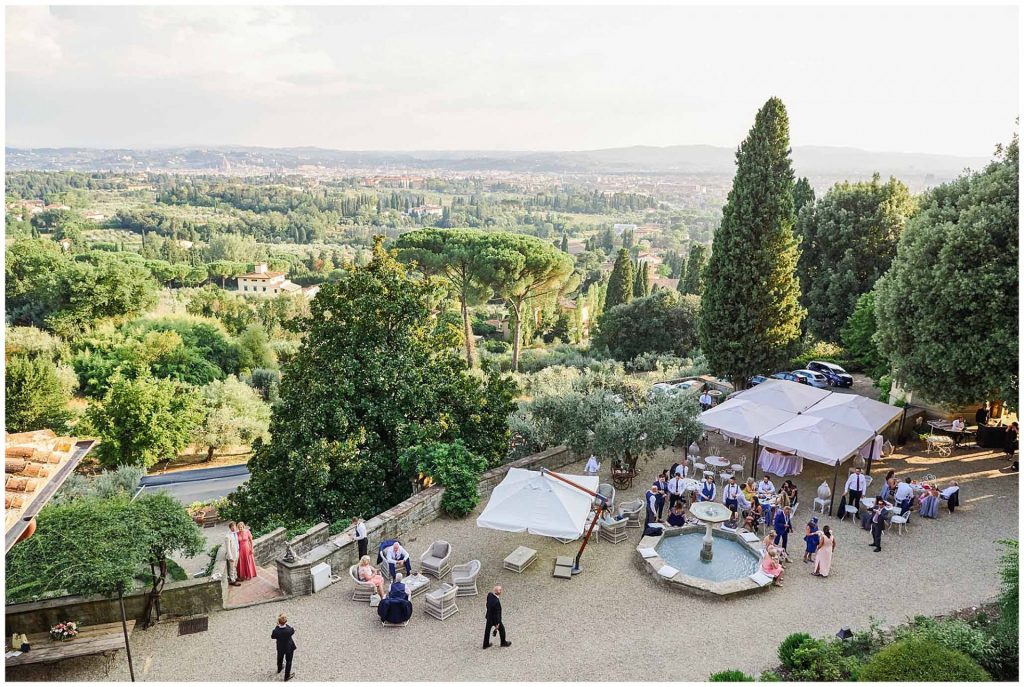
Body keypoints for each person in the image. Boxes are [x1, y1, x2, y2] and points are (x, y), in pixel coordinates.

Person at [271, 613, 296, 681]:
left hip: (280, 647)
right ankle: (286, 676)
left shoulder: (276, 630)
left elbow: (273, 636)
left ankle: (279, 668)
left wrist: (277, 626)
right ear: (286, 621)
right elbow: (292, 631)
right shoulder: (289, 630)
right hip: (289, 647)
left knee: (280, 657)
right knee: (289, 661)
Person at [224, 522, 241, 587]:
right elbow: (227, 548)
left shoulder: (235, 533)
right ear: (230, 527)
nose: (234, 528)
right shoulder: (227, 536)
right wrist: (230, 557)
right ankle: (232, 580)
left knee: (235, 567)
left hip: (236, 552)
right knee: (231, 568)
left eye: (234, 526)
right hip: (232, 555)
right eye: (232, 527)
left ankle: (236, 577)